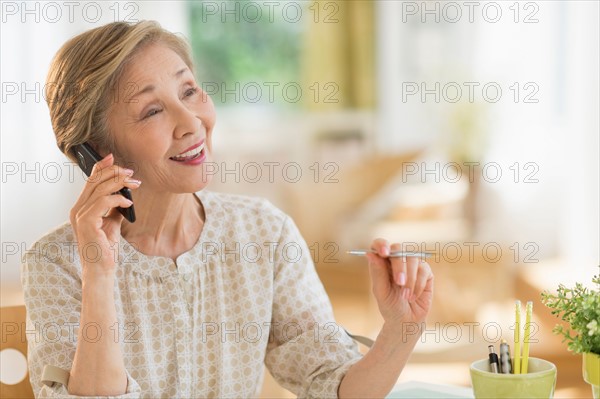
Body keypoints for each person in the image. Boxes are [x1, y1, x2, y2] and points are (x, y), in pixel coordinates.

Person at [21, 20, 434, 398]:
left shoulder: (265, 232)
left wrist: (401, 330)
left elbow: (331, 385)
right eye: (152, 111)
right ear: (95, 152)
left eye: (188, 92)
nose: (191, 122)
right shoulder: (55, 263)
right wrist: (99, 274)